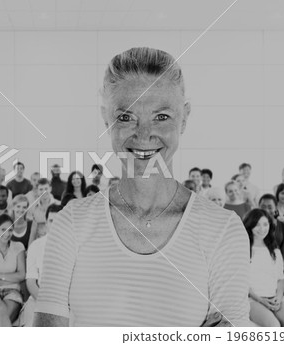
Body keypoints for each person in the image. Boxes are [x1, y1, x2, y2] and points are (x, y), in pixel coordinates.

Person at [34, 47, 250, 327]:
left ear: (184, 117)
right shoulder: (72, 222)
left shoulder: (222, 229)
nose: (144, 134)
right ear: (106, 119)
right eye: (126, 117)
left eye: (162, 116)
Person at [244, 209, 284, 327]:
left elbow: (280, 279)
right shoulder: (243, 249)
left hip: (275, 297)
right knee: (274, 326)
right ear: (249, 226)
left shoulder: (275, 251)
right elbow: (242, 282)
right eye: (257, 225)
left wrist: (278, 297)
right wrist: (261, 300)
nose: (262, 228)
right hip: (253, 299)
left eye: (265, 224)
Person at [23, 204, 62, 327]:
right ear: (46, 223)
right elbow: (31, 282)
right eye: (51, 220)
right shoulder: (36, 246)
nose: (55, 224)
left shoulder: (74, 246)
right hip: (38, 297)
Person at [27, 179, 60, 244]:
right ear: (37, 191)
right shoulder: (32, 208)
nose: (44, 192)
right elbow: (32, 232)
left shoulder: (59, 205)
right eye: (41, 189)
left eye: (46, 188)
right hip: (38, 242)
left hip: (56, 242)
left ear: (50, 189)